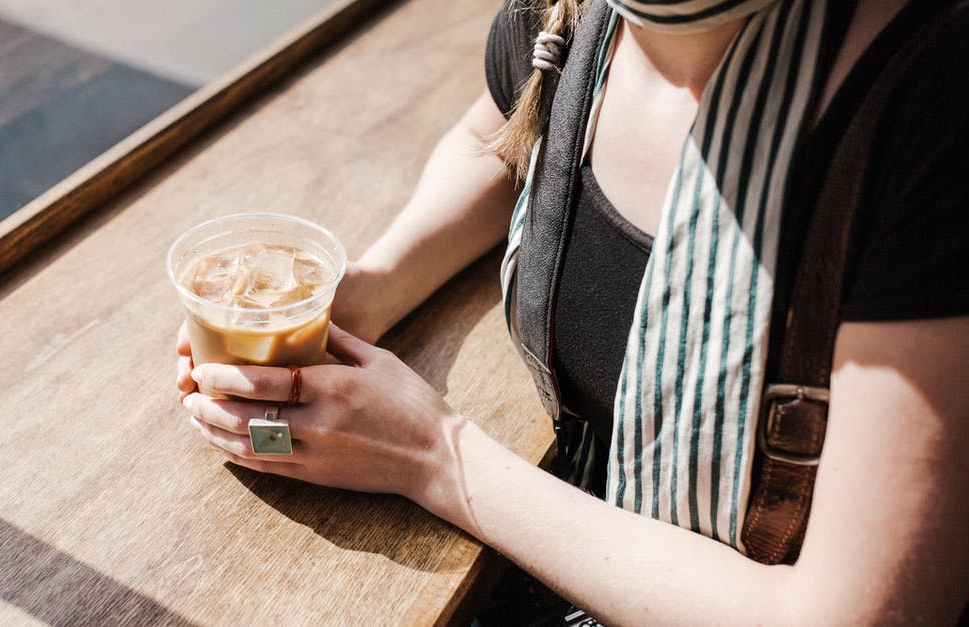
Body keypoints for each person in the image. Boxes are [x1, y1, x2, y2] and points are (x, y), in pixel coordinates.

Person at [176, 0, 969, 623]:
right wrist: (372, 285)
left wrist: (434, 455)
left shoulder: (934, 105)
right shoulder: (576, 16)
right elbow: (496, 137)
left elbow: (854, 614)